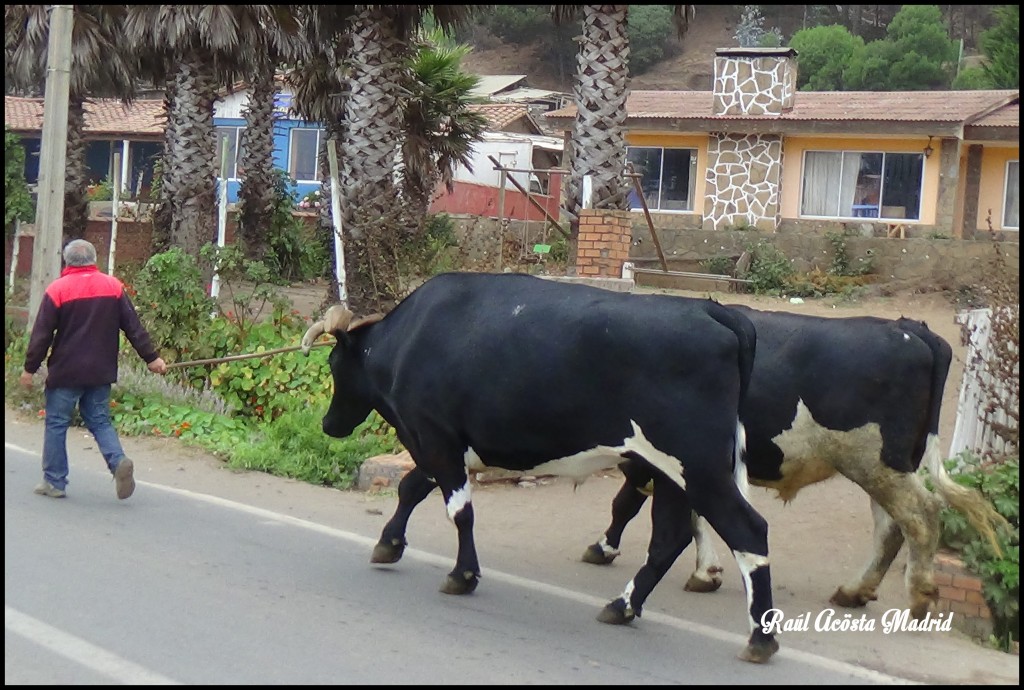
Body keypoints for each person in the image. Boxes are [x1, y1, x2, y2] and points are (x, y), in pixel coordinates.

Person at [20, 239, 167, 500]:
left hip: (66, 371)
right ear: (93, 259)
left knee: (56, 422)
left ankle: (54, 481)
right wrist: (152, 358)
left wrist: (30, 368)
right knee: (99, 420)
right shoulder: (113, 286)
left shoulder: (58, 289)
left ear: (67, 261)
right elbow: (133, 327)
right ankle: (117, 460)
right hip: (101, 370)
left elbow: (42, 335)